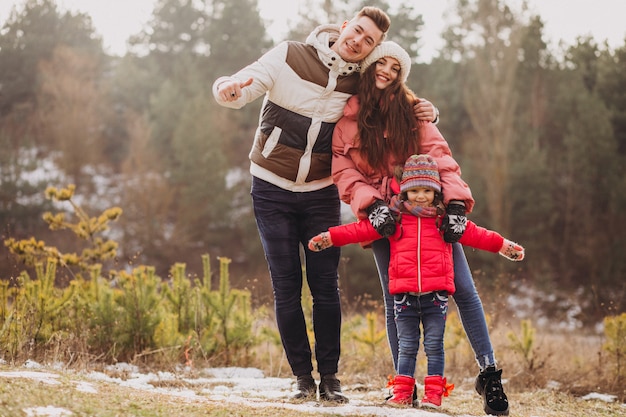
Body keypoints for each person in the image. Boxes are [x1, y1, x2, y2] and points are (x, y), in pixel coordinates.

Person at [212, 7, 438, 404]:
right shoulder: (290, 55)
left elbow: (395, 102)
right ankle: (302, 377)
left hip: (320, 194)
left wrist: (429, 111)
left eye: (370, 42)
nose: (359, 42)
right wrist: (227, 88)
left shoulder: (361, 82)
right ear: (345, 24)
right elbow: (242, 85)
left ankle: (330, 378)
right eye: (358, 32)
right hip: (270, 189)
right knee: (286, 287)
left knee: (325, 289)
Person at [330, 41, 512, 415]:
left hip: (428, 211)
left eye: (396, 68)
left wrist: (457, 203)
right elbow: (343, 170)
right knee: (393, 296)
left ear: (401, 76)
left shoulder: (414, 112)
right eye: (381, 63)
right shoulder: (346, 117)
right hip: (385, 217)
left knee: (463, 288)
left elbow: (440, 158)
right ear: (368, 66)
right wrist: (371, 205)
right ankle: (404, 386)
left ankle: (489, 373)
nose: (387, 71)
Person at [308, 154, 525, 408]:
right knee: (407, 345)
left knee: (435, 345)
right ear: (404, 192)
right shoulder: (395, 219)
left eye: (427, 191)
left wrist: (503, 246)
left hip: (436, 298)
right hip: (404, 297)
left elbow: (476, 234)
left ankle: (434, 395)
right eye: (414, 191)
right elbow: (360, 230)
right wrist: (330, 237)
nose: (420, 196)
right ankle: (403, 392)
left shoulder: (443, 221)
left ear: (436, 192)